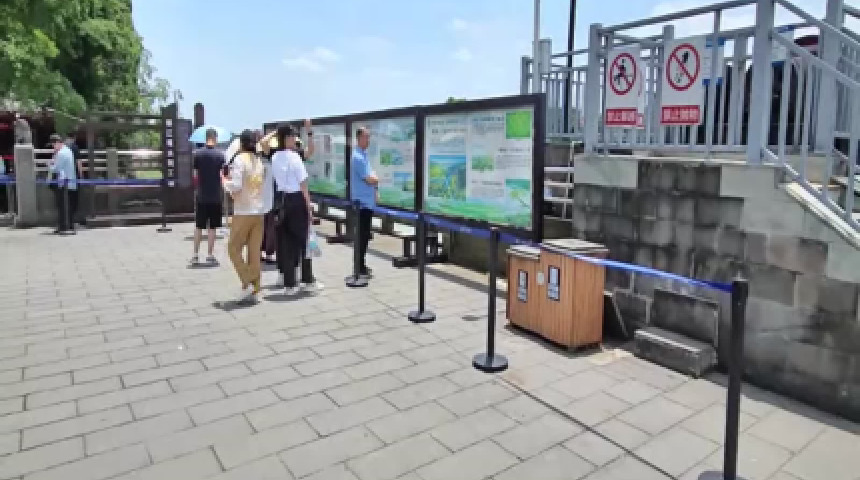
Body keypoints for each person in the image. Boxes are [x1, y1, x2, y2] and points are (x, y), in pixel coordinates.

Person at [222, 130, 269, 303]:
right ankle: (255, 289)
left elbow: (236, 186)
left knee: (233, 248)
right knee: (254, 252)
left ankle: (247, 280)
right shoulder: (258, 161)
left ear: (241, 144)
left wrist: (224, 182)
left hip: (243, 211)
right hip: (258, 211)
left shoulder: (239, 160)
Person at [271, 124, 313, 296]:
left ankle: (289, 284)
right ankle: (307, 280)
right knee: (304, 241)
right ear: (287, 138)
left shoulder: (275, 157)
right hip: (297, 199)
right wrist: (309, 206)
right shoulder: (295, 157)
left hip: (282, 201)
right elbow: (303, 184)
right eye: (293, 136)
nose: (295, 139)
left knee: (286, 244)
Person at [191, 128, 225, 265]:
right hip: (216, 195)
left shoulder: (197, 154)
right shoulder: (220, 155)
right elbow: (223, 175)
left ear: (205, 138)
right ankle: (210, 255)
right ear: (215, 138)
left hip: (201, 195)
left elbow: (195, 176)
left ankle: (195, 254)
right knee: (212, 227)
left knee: (199, 226)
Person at [350, 126, 379, 278]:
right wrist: (376, 179)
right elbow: (369, 178)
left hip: (367, 203)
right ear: (359, 138)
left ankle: (361, 265)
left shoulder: (364, 154)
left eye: (369, 137)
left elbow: (372, 176)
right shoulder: (358, 157)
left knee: (365, 235)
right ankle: (358, 267)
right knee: (361, 237)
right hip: (361, 203)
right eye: (366, 137)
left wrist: (375, 184)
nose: (368, 140)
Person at [47, 133, 78, 234]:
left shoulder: (61, 153)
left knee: (62, 206)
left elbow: (56, 168)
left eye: (53, 145)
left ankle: (63, 226)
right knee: (68, 206)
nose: (53, 147)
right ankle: (68, 225)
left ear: (57, 143)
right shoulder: (68, 150)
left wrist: (49, 165)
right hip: (70, 182)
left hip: (63, 183)